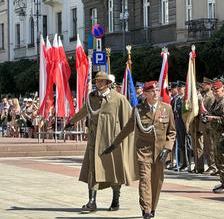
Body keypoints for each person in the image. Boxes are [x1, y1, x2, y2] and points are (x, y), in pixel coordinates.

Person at [66, 71, 138, 212]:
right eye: (97, 81)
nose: (98, 83)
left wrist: (125, 138)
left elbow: (130, 119)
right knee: (93, 170)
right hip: (94, 140)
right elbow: (84, 111)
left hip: (112, 141)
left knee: (114, 171)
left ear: (107, 83)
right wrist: (71, 121)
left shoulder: (118, 98)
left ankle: (115, 200)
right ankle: (92, 202)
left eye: (101, 81)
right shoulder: (91, 98)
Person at [102, 81, 176, 219]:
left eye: (157, 90)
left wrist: (167, 148)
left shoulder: (167, 108)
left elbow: (172, 132)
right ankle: (146, 209)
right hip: (144, 152)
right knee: (145, 181)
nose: (155, 93)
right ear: (146, 94)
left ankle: (153, 207)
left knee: (157, 182)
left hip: (161, 153)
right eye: (152, 91)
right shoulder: (138, 110)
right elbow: (127, 129)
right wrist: (114, 144)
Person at [206, 81, 224, 193]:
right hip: (216, 134)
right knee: (218, 159)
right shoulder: (215, 102)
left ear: (223, 90)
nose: (215, 93)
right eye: (214, 91)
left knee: (223, 159)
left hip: (222, 135)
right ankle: (223, 181)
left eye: (217, 90)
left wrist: (213, 118)